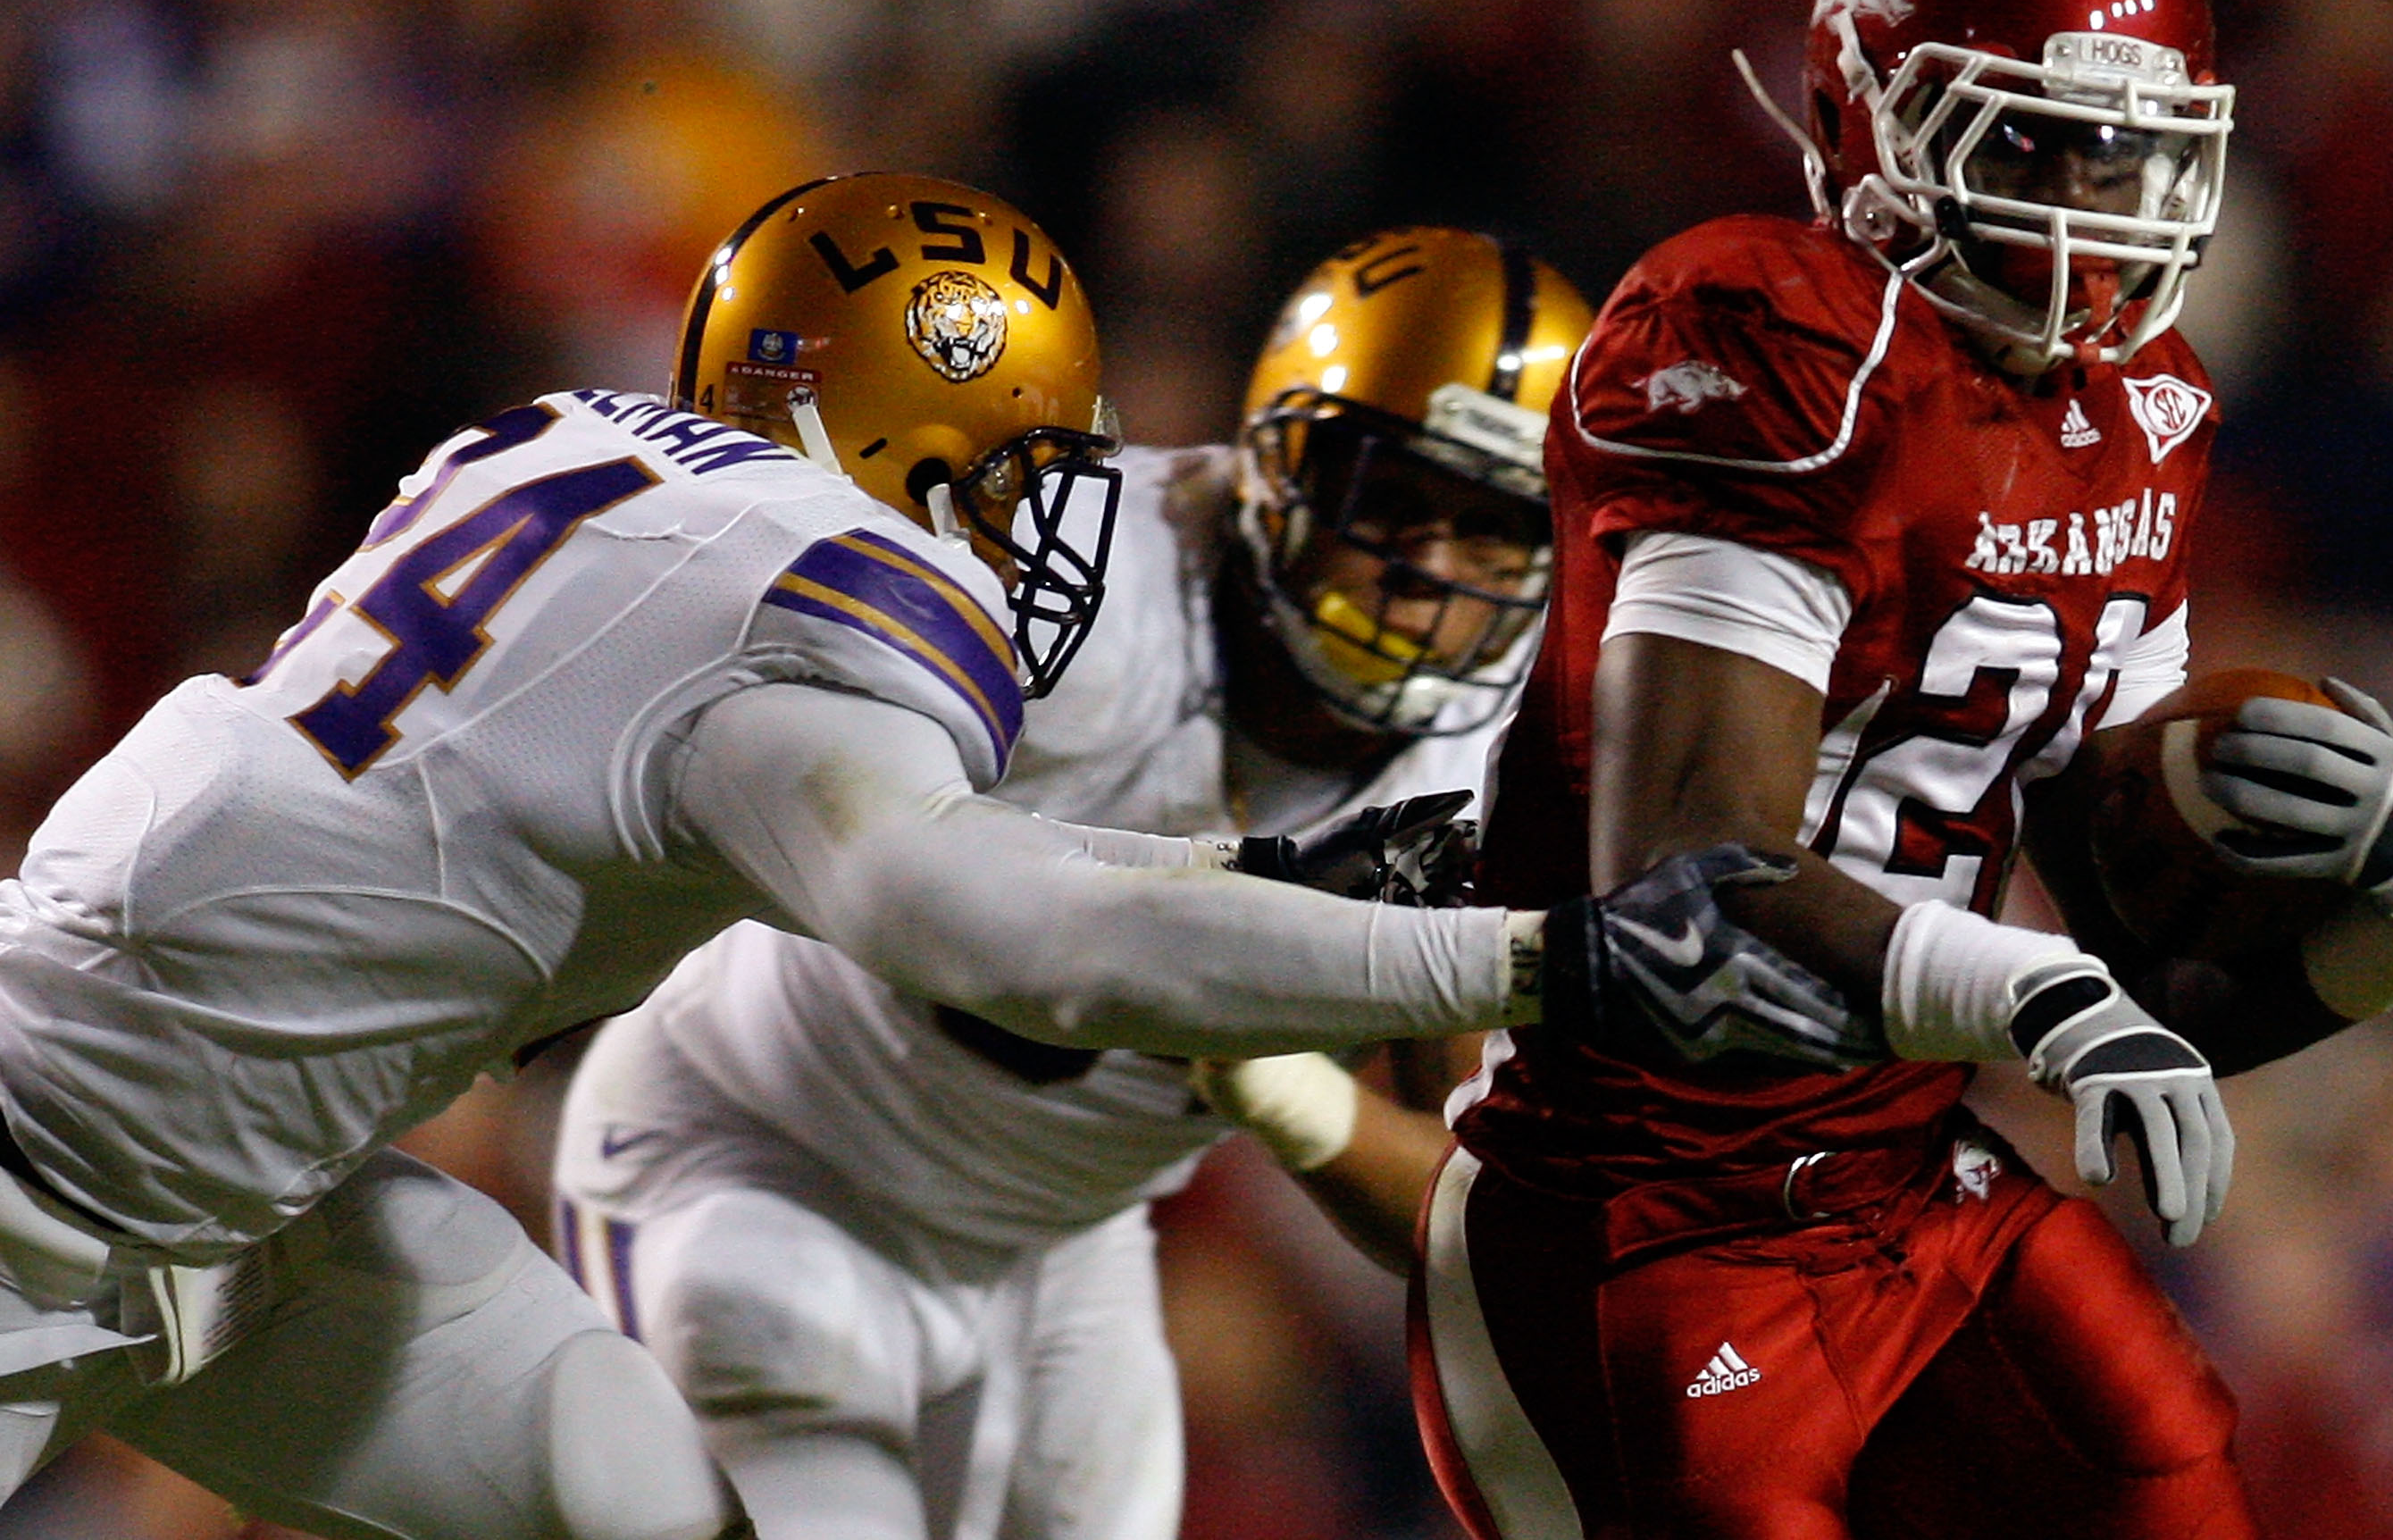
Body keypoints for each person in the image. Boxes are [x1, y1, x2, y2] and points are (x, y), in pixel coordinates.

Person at [0, 174, 1823, 1540]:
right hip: (49, 1173)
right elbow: (983, 916)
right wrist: (1516, 952)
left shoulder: (580, 455)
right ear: (913, 441)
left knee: (642, 1509)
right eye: (1019, 466)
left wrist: (1289, 897)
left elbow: (979, 861)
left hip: (261, 1190)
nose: (1049, 516)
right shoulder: (816, 604)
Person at [1415, 0, 2393, 1540]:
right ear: (1868, 120)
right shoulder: (1774, 334)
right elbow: (1682, 884)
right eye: (2029, 138)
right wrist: (2034, 1003)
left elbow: (2139, 982)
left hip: (1907, 1177)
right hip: (1634, 1203)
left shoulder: (2148, 411)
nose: (2089, 200)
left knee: (2180, 1489)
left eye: (2127, 150)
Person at [549, 225, 1592, 1540]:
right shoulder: (1076, 583)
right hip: (770, 1149)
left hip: (1062, 1244)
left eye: (1495, 533)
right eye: (1393, 500)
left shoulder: (1495, 762)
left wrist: (1299, 1105)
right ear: (1280, 463)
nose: (1432, 578)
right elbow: (713, 709)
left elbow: (1475, 1204)